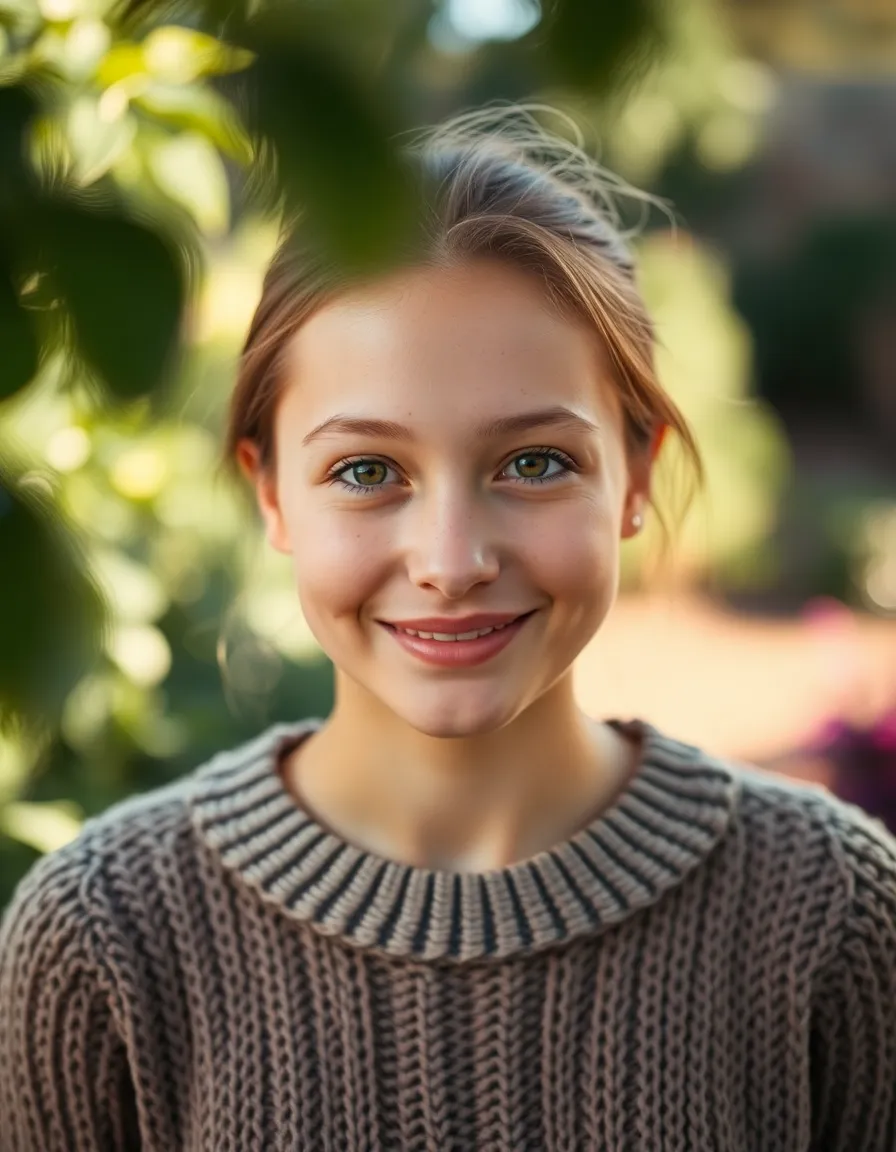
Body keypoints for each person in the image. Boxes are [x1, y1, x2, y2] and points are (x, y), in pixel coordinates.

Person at [1, 105, 895, 1152]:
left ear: (633, 477)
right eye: (366, 473)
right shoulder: (106, 937)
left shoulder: (829, 915)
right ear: (272, 494)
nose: (452, 560)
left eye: (532, 462)